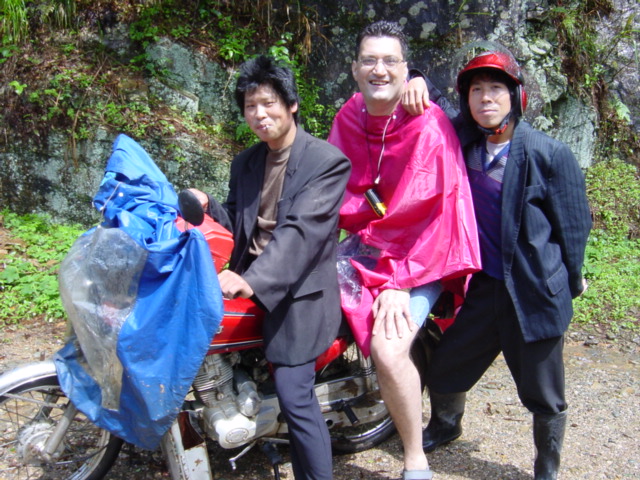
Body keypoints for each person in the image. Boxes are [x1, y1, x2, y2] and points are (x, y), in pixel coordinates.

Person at [405, 51, 592, 480]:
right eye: (476, 91)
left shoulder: (548, 153)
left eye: (495, 89)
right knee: (447, 364)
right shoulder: (464, 142)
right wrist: (414, 75)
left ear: (516, 96)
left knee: (544, 390)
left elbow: (574, 223)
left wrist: (570, 278)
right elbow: (427, 112)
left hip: (533, 289)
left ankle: (547, 466)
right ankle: (446, 425)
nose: (485, 98)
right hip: (487, 285)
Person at [183, 55, 351, 480]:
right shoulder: (247, 162)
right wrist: (205, 207)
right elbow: (238, 220)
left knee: (295, 396)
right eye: (250, 106)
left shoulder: (326, 162)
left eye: (269, 103)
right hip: (249, 279)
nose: (260, 115)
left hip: (299, 293)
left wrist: (250, 279)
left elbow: (301, 235)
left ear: (291, 104)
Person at [327, 21, 481, 480]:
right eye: (369, 60)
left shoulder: (427, 123)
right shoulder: (349, 117)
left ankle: (415, 460)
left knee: (388, 349)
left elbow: (440, 215)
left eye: (390, 61)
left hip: (424, 254)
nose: (379, 69)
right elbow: (334, 189)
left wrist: (400, 280)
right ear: (354, 69)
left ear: (405, 69)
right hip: (371, 242)